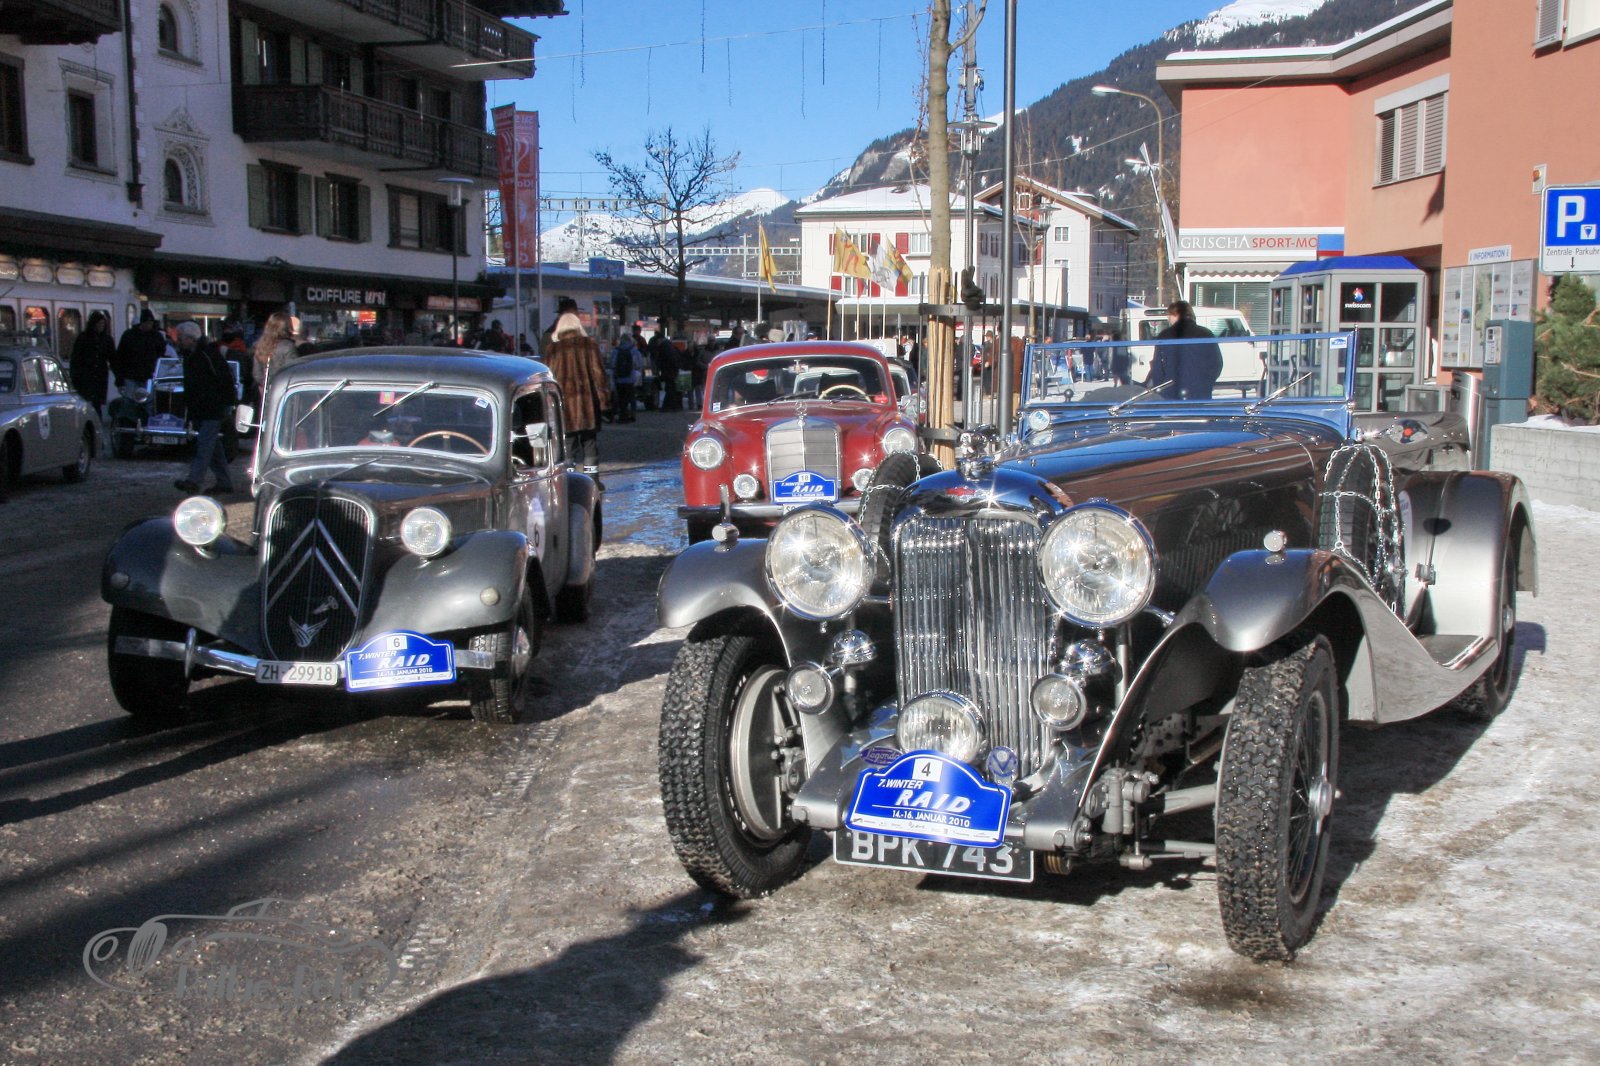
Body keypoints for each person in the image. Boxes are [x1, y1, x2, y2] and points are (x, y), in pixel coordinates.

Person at [543, 312, 610, 487]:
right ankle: (593, 481)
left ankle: (568, 483)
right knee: (590, 444)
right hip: (587, 404)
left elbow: (548, 380)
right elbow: (599, 376)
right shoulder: (590, 345)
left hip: (564, 407)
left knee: (567, 446)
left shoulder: (553, 349)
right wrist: (604, 401)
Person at [173, 322, 236, 496]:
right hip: (207, 407)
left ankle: (194, 480)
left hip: (212, 407)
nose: (179, 341)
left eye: (181, 338)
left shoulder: (205, 354)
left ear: (190, 338)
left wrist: (224, 403)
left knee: (205, 445)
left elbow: (223, 379)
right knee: (213, 447)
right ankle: (224, 482)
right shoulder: (198, 354)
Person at [1146, 300, 1223, 400]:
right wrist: (1206, 383)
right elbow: (1217, 363)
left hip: (1171, 392)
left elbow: (1158, 367)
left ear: (1175, 314)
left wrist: (1161, 386)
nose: (1168, 318)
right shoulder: (1206, 334)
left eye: (1169, 315)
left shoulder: (1165, 335)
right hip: (1200, 392)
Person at [69, 310, 114, 417]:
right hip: (86, 375)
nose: (101, 326)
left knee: (97, 404)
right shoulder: (83, 338)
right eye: (99, 324)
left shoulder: (106, 339)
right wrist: (75, 375)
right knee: (86, 402)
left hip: (100, 376)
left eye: (103, 324)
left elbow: (113, 358)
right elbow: (76, 358)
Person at [112, 308, 167, 389]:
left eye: (151, 323)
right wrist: (120, 377)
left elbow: (161, 352)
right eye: (147, 323)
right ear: (142, 322)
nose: (149, 325)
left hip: (148, 375)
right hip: (131, 375)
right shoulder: (129, 335)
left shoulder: (156, 336)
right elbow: (121, 356)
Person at [253, 311, 298, 398]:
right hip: (283, 392)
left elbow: (257, 374)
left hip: (266, 392)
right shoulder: (288, 346)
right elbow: (292, 373)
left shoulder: (261, 345)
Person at [610, 332, 641, 423]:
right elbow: (638, 364)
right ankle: (632, 415)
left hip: (619, 378)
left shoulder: (616, 350)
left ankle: (622, 415)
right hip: (631, 378)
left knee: (621, 398)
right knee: (631, 397)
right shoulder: (634, 350)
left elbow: (612, 364)